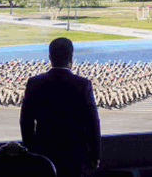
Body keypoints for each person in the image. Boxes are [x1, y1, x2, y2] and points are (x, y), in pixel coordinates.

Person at [20, 37, 101, 177]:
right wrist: (95, 155)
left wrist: (31, 151)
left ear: (50, 57)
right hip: (75, 155)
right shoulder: (82, 84)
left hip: (44, 153)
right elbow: (92, 122)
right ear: (71, 58)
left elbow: (26, 121)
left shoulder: (34, 83)